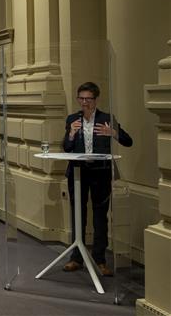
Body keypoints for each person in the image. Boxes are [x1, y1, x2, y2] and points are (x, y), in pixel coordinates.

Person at [62, 82, 132, 276]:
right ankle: (76, 258)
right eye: (81, 98)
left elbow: (128, 141)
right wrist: (71, 133)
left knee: (100, 216)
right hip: (78, 173)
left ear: (95, 100)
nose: (84, 102)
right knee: (78, 214)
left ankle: (100, 260)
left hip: (100, 173)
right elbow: (66, 148)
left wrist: (114, 133)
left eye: (88, 99)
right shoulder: (72, 119)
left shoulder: (106, 119)